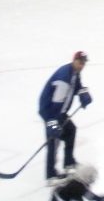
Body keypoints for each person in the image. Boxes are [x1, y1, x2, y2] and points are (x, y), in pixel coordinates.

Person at [39, 52, 93, 182]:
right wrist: (52, 122)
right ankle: (50, 175)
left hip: (59, 112)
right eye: (80, 62)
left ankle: (68, 162)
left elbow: (78, 85)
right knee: (53, 141)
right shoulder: (64, 79)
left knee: (70, 130)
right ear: (74, 60)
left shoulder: (74, 72)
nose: (82, 65)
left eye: (84, 63)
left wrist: (83, 93)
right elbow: (55, 104)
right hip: (50, 111)